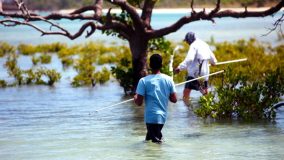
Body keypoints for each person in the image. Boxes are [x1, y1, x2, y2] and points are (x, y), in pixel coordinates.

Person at [134, 54, 177, 144]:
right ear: (161, 65)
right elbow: (174, 99)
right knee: (148, 140)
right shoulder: (168, 80)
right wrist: (166, 93)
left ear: (149, 65)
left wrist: (135, 97)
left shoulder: (143, 81)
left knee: (156, 142)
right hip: (162, 117)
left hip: (151, 117)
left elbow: (139, 103)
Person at [174, 32, 217, 103]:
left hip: (195, 73)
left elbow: (189, 59)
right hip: (205, 73)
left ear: (190, 39)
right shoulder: (204, 44)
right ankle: (209, 107)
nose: (187, 43)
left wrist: (179, 68)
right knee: (205, 92)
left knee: (186, 93)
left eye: (187, 41)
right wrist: (214, 62)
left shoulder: (193, 45)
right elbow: (212, 57)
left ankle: (188, 108)